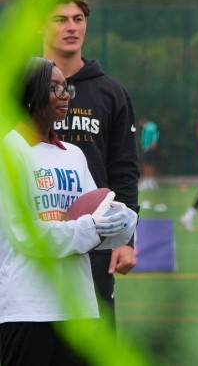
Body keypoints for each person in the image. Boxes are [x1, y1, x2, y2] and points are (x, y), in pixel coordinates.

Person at [0, 58, 137, 365]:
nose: (65, 95)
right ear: (28, 93)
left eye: (66, 87)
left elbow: (98, 222)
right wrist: (93, 227)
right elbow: (29, 236)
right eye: (55, 88)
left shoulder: (74, 155)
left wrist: (124, 225)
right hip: (29, 308)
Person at [40, 0, 140, 328]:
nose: (72, 27)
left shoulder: (110, 93)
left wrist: (125, 238)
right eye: (60, 19)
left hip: (93, 238)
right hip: (33, 235)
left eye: (78, 19)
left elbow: (124, 170)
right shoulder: (15, 88)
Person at [138, 118, 160, 191]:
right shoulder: (145, 128)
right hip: (145, 148)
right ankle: (149, 181)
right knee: (146, 164)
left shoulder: (151, 126)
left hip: (149, 148)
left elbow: (155, 134)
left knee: (146, 164)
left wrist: (154, 142)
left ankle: (149, 181)